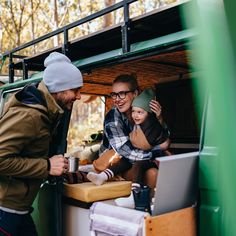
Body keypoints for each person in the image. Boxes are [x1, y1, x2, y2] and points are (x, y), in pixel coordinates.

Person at [0, 52, 83, 236]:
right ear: (60, 89)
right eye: (76, 90)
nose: (79, 96)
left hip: (19, 210)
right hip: (4, 210)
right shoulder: (29, 115)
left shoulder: (47, 112)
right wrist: (46, 166)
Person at [87, 74, 169, 190]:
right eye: (114, 95)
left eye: (121, 94)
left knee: (165, 168)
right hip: (114, 162)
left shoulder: (144, 114)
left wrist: (159, 120)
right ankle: (138, 200)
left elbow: (163, 141)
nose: (116, 99)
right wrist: (156, 156)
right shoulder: (113, 116)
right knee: (152, 174)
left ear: (135, 94)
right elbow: (125, 150)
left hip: (136, 159)